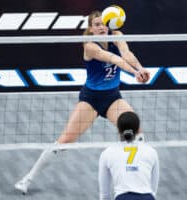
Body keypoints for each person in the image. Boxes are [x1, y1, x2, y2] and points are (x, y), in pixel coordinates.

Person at [15, 10, 150, 194]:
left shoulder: (117, 35)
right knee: (64, 141)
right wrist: (134, 74)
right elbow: (114, 58)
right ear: (91, 29)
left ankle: (136, 179)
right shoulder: (89, 46)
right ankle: (27, 179)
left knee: (136, 132)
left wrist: (141, 68)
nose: (101, 27)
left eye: (103, 23)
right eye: (96, 24)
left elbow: (126, 53)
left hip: (112, 97)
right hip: (91, 99)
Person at [99, 111, 159, 200]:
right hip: (147, 197)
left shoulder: (107, 153)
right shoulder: (151, 151)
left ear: (118, 130)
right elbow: (153, 189)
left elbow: (105, 194)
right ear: (138, 130)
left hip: (123, 197)